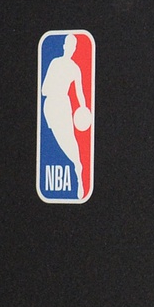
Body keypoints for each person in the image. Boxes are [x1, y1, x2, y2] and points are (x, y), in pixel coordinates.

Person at [40, 34, 89, 198]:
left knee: (69, 141)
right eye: (68, 44)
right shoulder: (55, 63)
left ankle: (79, 172)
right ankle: (78, 167)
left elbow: (80, 92)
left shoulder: (75, 68)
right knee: (59, 142)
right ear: (65, 46)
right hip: (51, 106)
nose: (69, 48)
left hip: (62, 105)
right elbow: (43, 90)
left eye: (72, 45)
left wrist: (83, 109)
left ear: (74, 48)